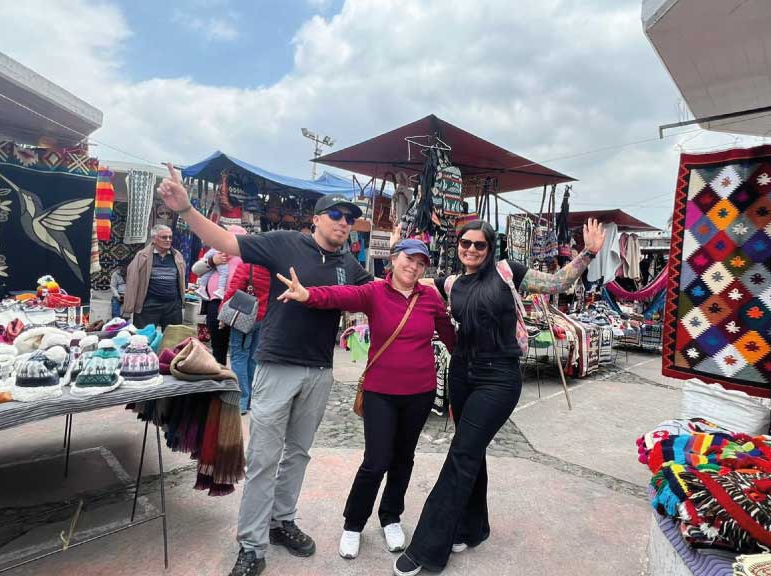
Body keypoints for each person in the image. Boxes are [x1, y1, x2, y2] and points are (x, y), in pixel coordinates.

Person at [156, 164, 373, 576]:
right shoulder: (284, 243)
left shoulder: (348, 263)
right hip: (277, 364)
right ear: (317, 218)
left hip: (320, 371)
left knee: (299, 453)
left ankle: (281, 521)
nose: (344, 223)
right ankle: (252, 545)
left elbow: (374, 294)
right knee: (263, 458)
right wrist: (185, 210)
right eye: (336, 215)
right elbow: (225, 241)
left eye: (349, 218)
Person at [392, 218, 606, 576]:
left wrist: (587, 253)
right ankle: (473, 528)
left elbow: (557, 283)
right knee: (470, 450)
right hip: (462, 372)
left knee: (461, 453)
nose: (471, 250)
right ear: (458, 245)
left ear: (490, 249)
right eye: (466, 244)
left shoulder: (508, 272)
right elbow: (408, 279)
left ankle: (428, 548)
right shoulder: (451, 282)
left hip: (499, 377)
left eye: (479, 245)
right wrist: (398, 249)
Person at [275, 238, 455, 561]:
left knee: (404, 458)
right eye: (408, 259)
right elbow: (338, 295)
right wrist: (307, 295)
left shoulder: (429, 298)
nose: (413, 267)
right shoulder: (374, 292)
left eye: (420, 263)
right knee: (376, 461)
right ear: (394, 260)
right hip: (381, 392)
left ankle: (391, 517)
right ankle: (353, 524)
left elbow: (452, 337)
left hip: (421, 392)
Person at [221, 229, 271, 414]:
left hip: (243, 316)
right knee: (253, 359)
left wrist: (222, 314)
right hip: (263, 317)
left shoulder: (246, 265)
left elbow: (233, 291)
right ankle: (249, 399)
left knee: (238, 356)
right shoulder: (272, 267)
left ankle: (241, 401)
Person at [192, 226, 245, 365]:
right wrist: (212, 261)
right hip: (216, 303)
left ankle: (235, 380)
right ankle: (219, 376)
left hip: (239, 303)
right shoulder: (217, 252)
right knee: (218, 344)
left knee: (238, 347)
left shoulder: (247, 256)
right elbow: (196, 270)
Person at [123, 224, 187, 329]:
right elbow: (132, 282)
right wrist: (128, 309)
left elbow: (181, 280)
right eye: (164, 237)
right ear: (153, 239)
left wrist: (181, 302)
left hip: (173, 306)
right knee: (143, 340)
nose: (168, 240)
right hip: (149, 305)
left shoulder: (177, 256)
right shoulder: (143, 256)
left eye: (170, 237)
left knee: (173, 341)